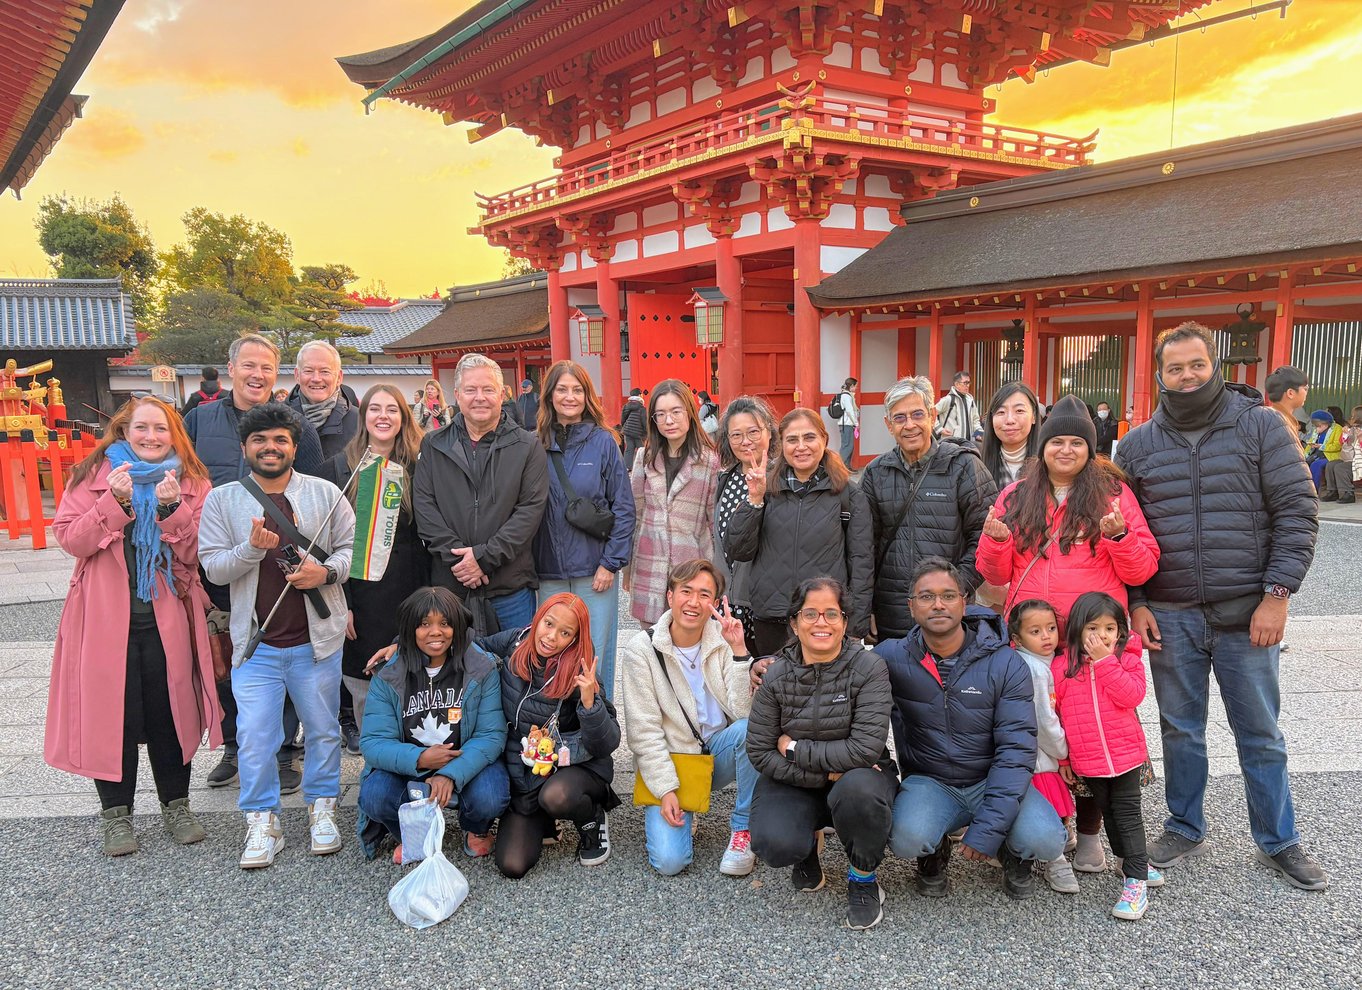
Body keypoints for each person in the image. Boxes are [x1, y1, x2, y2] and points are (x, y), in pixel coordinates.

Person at [1115, 322, 1324, 890]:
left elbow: (1297, 514)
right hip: (1172, 610)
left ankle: (1279, 838)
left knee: (1259, 731)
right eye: (1175, 368)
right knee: (1180, 727)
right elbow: (1124, 533)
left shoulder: (1260, 427)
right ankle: (1185, 822)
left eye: (1196, 366)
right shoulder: (1136, 445)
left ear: (1216, 366)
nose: (1187, 377)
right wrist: (1136, 602)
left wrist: (1277, 596)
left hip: (1247, 609)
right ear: (1159, 374)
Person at [45, 396, 222, 856]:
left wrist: (169, 511)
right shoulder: (94, 476)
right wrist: (115, 503)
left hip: (166, 616)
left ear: (174, 434)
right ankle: (116, 815)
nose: (151, 437)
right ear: (124, 432)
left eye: (160, 429)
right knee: (112, 715)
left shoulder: (190, 480)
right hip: (103, 620)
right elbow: (70, 539)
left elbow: (196, 552)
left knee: (170, 710)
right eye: (141, 428)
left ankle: (177, 805)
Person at [198, 402, 354, 869]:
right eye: (260, 440)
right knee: (255, 736)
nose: (271, 448)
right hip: (257, 644)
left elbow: (351, 552)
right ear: (245, 447)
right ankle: (262, 818)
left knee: (324, 731)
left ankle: (322, 807)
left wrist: (323, 573)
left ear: (293, 445)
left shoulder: (325, 493)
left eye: (280, 440)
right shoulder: (222, 500)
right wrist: (249, 550)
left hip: (317, 640)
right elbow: (214, 569)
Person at [184, 333, 324, 792]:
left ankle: (284, 750)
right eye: (248, 365)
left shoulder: (294, 424)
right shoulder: (201, 420)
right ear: (230, 367)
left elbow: (319, 495)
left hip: (283, 565)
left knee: (282, 644)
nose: (257, 374)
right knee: (228, 657)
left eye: (266, 367)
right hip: (223, 560)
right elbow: (179, 477)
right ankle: (234, 745)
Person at [880, 558, 1066, 902]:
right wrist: (764, 664)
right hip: (931, 780)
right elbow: (837, 663)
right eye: (926, 596)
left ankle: (1016, 854)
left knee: (1046, 839)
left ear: (964, 602)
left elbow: (1016, 750)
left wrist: (988, 831)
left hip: (991, 777)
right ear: (911, 606)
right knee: (905, 838)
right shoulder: (892, 657)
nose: (938, 604)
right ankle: (932, 851)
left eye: (948, 595)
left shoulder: (1004, 662)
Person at [746, 577, 898, 930]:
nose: (821, 622)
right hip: (804, 780)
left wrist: (796, 749)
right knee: (773, 842)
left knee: (858, 790)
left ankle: (863, 878)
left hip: (857, 779)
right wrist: (826, 773)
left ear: (845, 622)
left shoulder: (869, 668)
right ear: (794, 623)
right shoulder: (777, 674)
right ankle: (806, 848)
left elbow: (865, 749)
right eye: (810, 613)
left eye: (832, 613)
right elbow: (759, 750)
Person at [620, 559, 758, 878]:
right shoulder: (641, 651)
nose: (694, 602)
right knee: (670, 863)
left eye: (704, 594)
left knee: (750, 730)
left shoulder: (721, 639)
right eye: (686, 591)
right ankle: (687, 804)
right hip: (674, 762)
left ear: (714, 603)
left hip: (713, 755)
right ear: (670, 596)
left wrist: (740, 652)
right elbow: (644, 733)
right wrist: (667, 789)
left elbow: (744, 714)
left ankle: (743, 829)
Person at [975, 393, 1160, 623]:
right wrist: (996, 542)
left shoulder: (1114, 494)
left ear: (1089, 450)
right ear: (1043, 448)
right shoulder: (1014, 496)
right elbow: (994, 575)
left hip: (1093, 636)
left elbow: (1141, 572)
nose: (1066, 450)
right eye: (1057, 442)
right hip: (1031, 635)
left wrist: (1120, 537)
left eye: (1076, 443)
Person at [356, 587, 509, 863]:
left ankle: (476, 829)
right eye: (425, 624)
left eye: (445, 623)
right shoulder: (389, 672)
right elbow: (373, 743)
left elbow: (491, 735)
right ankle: (413, 833)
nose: (436, 632)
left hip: (466, 764)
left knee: (492, 794)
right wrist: (421, 758)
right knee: (374, 795)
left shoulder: (481, 668)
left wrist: (450, 773)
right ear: (410, 629)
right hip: (407, 767)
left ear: (458, 627)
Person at [479, 594, 621, 876]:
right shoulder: (516, 641)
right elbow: (469, 646)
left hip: (571, 768)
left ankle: (591, 818)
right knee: (512, 865)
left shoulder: (580, 669)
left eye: (565, 632)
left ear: (575, 638)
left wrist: (590, 702)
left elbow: (607, 743)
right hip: (526, 766)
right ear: (538, 617)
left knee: (556, 797)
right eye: (548, 624)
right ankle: (543, 820)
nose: (551, 637)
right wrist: (403, 645)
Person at [318, 384, 428, 746]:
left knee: (416, 679)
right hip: (360, 594)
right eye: (375, 409)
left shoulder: (420, 464)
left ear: (404, 417)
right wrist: (343, 603)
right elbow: (328, 542)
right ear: (363, 416)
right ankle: (377, 758)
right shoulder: (339, 468)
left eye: (392, 409)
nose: (384, 416)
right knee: (366, 683)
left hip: (411, 586)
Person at [413, 353, 549, 633]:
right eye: (471, 389)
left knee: (516, 671)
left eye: (488, 389)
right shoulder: (434, 444)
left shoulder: (526, 446)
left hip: (510, 585)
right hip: (451, 587)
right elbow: (425, 508)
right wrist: (462, 562)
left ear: (501, 394)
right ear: (457, 395)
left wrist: (484, 558)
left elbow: (530, 511)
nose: (480, 397)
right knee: (454, 673)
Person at [724, 407, 873, 655]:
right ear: (781, 444)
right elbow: (738, 550)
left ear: (824, 440)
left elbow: (862, 563)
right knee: (772, 688)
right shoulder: (766, 487)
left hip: (823, 619)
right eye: (792, 439)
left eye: (809, 437)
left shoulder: (848, 494)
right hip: (772, 617)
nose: (801, 446)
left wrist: (856, 626)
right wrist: (754, 500)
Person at [1052, 592, 1164, 921]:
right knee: (1109, 813)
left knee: (1128, 815)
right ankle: (1129, 859)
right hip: (1088, 760)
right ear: (1076, 630)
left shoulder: (1126, 658)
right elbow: (1057, 716)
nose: (1103, 636)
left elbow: (1132, 695)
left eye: (1110, 628)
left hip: (1126, 755)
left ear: (1120, 631)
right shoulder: (1062, 667)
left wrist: (1105, 662)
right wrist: (1063, 760)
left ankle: (1135, 881)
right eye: (1093, 628)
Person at [860, 376, 996, 642]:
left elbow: (984, 537)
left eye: (917, 414)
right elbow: (864, 547)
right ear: (889, 425)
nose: (909, 425)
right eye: (899, 418)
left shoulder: (964, 467)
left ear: (933, 416)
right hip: (891, 611)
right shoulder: (876, 473)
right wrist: (866, 607)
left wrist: (956, 588)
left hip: (947, 612)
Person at [531, 360, 635, 700]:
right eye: (562, 389)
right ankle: (554, 724)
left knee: (594, 650)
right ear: (549, 396)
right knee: (551, 650)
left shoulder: (603, 442)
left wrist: (611, 563)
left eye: (577, 390)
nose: (569, 396)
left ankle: (596, 723)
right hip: (549, 570)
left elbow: (623, 506)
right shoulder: (535, 444)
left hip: (595, 569)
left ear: (587, 396)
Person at [625, 379, 721, 627]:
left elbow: (713, 524)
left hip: (691, 565)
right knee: (652, 647)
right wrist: (628, 568)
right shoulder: (643, 459)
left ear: (689, 413)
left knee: (691, 645)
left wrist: (716, 576)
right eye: (661, 414)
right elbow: (635, 515)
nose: (669, 421)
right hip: (649, 561)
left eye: (676, 412)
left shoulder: (709, 462)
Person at [1007, 600, 1078, 894]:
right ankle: (1055, 859)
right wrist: (1063, 754)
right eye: (1035, 631)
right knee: (1048, 800)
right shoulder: (1035, 669)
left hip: (1036, 753)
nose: (1046, 636)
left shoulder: (1041, 663)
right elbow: (1044, 721)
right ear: (1017, 639)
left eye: (1050, 628)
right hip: (1038, 756)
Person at [713, 395, 779, 650]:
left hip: (764, 601)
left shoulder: (782, 477)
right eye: (736, 435)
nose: (745, 441)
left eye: (753, 432)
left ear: (769, 433)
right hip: (728, 600)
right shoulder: (725, 479)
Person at [288, 340, 359, 461]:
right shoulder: (278, 418)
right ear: (297, 375)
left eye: (325, 371)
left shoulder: (360, 422)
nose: (316, 379)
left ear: (339, 377)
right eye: (308, 371)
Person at [979, 383, 1041, 490]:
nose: (1010, 420)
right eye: (1001, 412)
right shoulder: (977, 466)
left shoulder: (1048, 465)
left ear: (1034, 416)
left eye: (1019, 411)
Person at [1307, 409, 1348, 500]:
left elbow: (1337, 446)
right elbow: (1309, 445)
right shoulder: (1316, 430)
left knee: (1316, 465)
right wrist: (1304, 454)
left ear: (1326, 424)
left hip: (1331, 455)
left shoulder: (1337, 429)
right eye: (1316, 427)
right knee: (1303, 463)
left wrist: (1321, 446)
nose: (1317, 429)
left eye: (1319, 426)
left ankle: (1313, 491)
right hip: (1317, 454)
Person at [1264, 365, 1310, 436]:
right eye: (1305, 389)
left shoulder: (1270, 418)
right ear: (1290, 393)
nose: (1306, 393)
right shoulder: (1280, 424)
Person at [934, 370, 980, 440]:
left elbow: (975, 421)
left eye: (968, 383)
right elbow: (931, 414)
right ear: (957, 384)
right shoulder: (948, 399)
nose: (967, 385)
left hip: (969, 444)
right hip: (950, 443)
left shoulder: (970, 401)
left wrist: (979, 434)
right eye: (965, 383)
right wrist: (940, 429)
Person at [619, 387, 647, 471]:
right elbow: (644, 422)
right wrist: (646, 433)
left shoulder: (626, 406)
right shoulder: (642, 408)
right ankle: (644, 467)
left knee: (629, 449)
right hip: (638, 433)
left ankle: (627, 467)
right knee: (641, 450)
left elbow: (623, 419)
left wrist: (625, 428)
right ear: (639, 395)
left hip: (628, 431)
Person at [832, 377, 859, 465]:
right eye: (855, 386)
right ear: (851, 385)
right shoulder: (846, 396)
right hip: (846, 424)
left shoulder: (846, 395)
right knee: (847, 446)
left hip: (846, 424)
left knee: (849, 446)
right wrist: (856, 423)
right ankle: (838, 467)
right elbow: (850, 411)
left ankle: (846, 467)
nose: (856, 388)